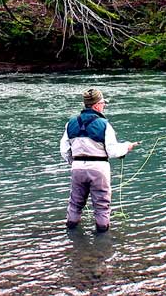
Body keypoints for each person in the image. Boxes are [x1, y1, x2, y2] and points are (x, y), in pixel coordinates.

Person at [60, 88, 138, 233]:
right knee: (102, 205)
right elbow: (113, 151)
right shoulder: (104, 124)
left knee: (75, 203)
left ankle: (71, 233)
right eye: (103, 103)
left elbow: (64, 150)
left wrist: (75, 163)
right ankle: (102, 240)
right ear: (96, 105)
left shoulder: (70, 123)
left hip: (77, 168)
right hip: (99, 169)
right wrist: (127, 147)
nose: (104, 106)